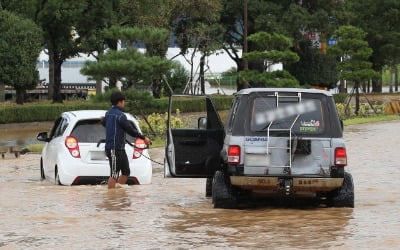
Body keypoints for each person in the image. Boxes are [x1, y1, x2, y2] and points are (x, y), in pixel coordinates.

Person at [103, 91, 151, 189]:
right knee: (114, 174)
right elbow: (130, 130)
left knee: (126, 172)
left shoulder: (107, 114)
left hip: (120, 148)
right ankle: (110, 198)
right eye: (124, 102)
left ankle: (117, 193)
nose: (124, 103)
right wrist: (143, 137)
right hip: (113, 148)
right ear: (120, 102)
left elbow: (104, 123)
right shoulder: (121, 116)